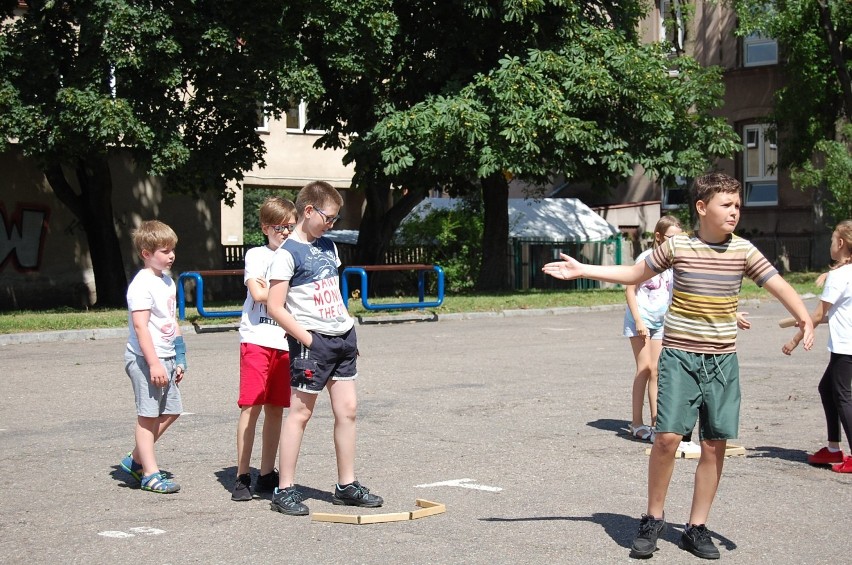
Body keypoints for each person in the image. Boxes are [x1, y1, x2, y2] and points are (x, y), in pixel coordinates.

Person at [542, 172, 814, 559]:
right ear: (702, 208)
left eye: (738, 205)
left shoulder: (744, 251)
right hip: (680, 358)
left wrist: (803, 316)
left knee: (714, 445)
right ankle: (653, 519)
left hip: (722, 362)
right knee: (667, 438)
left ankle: (696, 527)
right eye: (727, 204)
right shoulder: (679, 248)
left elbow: (778, 285)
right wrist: (584, 270)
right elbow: (634, 275)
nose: (735, 211)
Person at [265, 180, 383, 516]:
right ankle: (284, 489)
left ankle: (346, 485)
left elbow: (334, 291)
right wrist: (309, 340)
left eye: (334, 219)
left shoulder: (329, 247)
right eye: (328, 218)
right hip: (312, 342)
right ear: (308, 211)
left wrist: (347, 329)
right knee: (300, 413)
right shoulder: (286, 254)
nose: (331, 225)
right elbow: (275, 307)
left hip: (343, 338)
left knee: (347, 411)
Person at [231, 196, 298, 501]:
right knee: (251, 406)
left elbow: (283, 294)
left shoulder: (295, 255)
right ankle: (242, 475)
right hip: (257, 339)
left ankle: (266, 473)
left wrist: (272, 289)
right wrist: (278, 288)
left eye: (289, 227)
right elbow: (258, 294)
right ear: (265, 228)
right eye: (279, 227)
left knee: (276, 409)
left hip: (284, 342)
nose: (285, 232)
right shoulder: (258, 254)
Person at [120, 220, 186, 494]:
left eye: (172, 250)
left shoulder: (167, 281)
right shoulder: (142, 284)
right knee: (147, 417)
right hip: (146, 359)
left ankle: (135, 459)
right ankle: (149, 473)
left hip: (167, 356)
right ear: (146, 253)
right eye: (164, 250)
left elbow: (171, 319)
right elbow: (140, 326)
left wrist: (180, 355)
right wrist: (155, 363)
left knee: (172, 410)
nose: (170, 255)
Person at [783, 220, 852, 474]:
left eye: (833, 240)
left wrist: (794, 340)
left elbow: (816, 316)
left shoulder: (838, 276)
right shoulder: (843, 273)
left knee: (843, 396)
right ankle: (833, 449)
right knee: (827, 388)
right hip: (846, 347)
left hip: (846, 346)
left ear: (841, 243)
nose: (831, 244)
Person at [624, 216, 683, 444]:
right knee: (645, 368)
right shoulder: (646, 258)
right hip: (640, 320)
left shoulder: (674, 262)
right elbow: (629, 289)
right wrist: (638, 320)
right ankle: (636, 424)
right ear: (659, 237)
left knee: (657, 370)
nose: (676, 243)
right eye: (672, 238)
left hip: (660, 322)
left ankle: (657, 422)